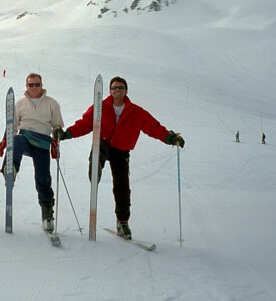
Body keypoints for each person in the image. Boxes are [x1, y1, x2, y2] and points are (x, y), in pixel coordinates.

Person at [54, 76, 185, 240]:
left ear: (126, 91)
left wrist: (170, 138)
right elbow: (85, 123)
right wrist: (67, 134)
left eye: (120, 88)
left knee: (122, 186)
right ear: (110, 91)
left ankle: (122, 223)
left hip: (121, 150)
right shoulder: (100, 107)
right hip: (102, 144)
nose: (117, 90)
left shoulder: (136, 111)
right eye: (114, 88)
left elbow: (153, 127)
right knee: (98, 150)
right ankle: (95, 169)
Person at [0, 73, 64, 232]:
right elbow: (12, 126)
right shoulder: (20, 104)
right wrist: (4, 141)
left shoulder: (51, 103)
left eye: (37, 84)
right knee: (17, 140)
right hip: (25, 137)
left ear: (42, 85)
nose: (34, 87)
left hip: (42, 142)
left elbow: (57, 125)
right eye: (31, 85)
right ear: (26, 86)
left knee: (43, 178)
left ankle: (47, 215)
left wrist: (56, 139)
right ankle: (10, 168)